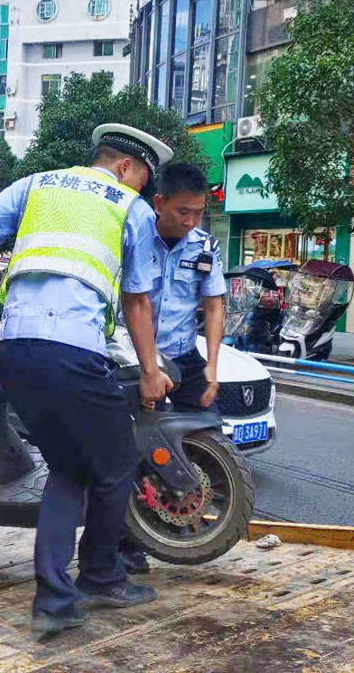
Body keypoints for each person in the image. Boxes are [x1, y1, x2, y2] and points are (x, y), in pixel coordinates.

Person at [0, 123, 175, 637]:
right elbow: (136, 300)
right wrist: (150, 371)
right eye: (142, 178)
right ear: (125, 168)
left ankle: (54, 600)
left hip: (16, 350)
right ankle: (99, 574)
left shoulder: (38, 183)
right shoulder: (130, 207)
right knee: (117, 461)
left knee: (68, 468)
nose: (143, 189)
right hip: (72, 350)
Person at [118, 162, 227, 575]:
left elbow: (215, 303)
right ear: (159, 202)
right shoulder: (133, 239)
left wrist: (212, 366)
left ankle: (183, 526)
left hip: (183, 358)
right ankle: (126, 544)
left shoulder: (203, 247)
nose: (190, 221)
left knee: (203, 441)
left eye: (198, 213)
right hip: (134, 361)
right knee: (129, 454)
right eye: (183, 212)